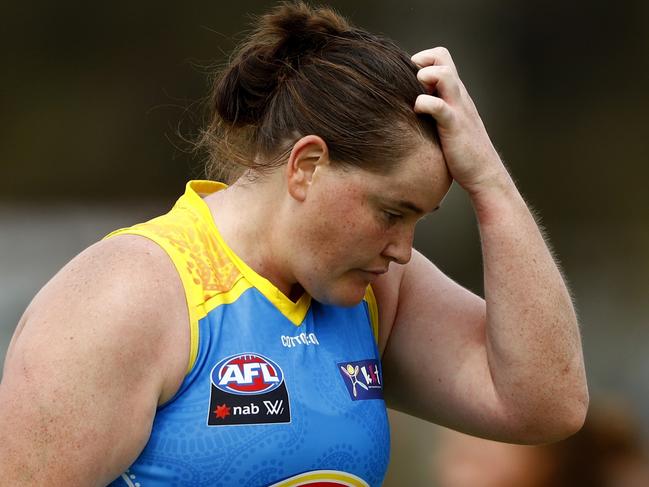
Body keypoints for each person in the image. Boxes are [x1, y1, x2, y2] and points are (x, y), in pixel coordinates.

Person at [0, 2, 588, 486]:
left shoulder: (377, 291)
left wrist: (491, 183)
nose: (403, 250)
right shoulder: (131, 296)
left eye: (421, 220)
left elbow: (547, 404)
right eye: (391, 212)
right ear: (306, 166)